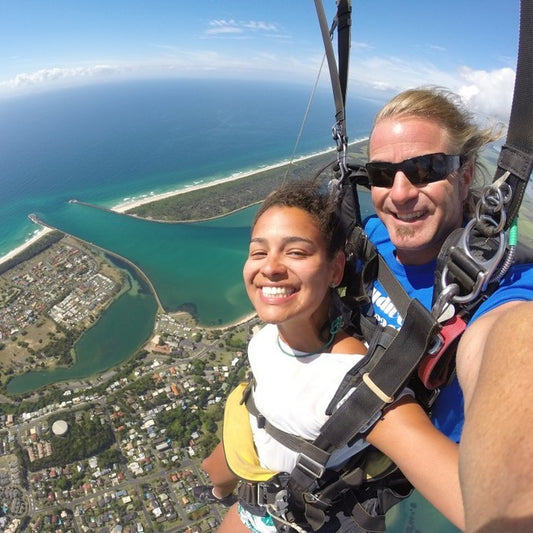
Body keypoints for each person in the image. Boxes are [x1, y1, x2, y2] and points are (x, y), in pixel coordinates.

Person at [197, 181, 464, 532]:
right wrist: (221, 481)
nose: (270, 267)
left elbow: (474, 501)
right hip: (256, 505)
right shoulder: (264, 339)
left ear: (335, 269)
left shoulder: (359, 387)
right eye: (259, 252)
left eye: (296, 252)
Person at [363, 86, 533, 532]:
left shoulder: (506, 287)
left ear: (464, 176)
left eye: (423, 170)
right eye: (382, 174)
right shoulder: (371, 239)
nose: (399, 193)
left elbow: (511, 343)